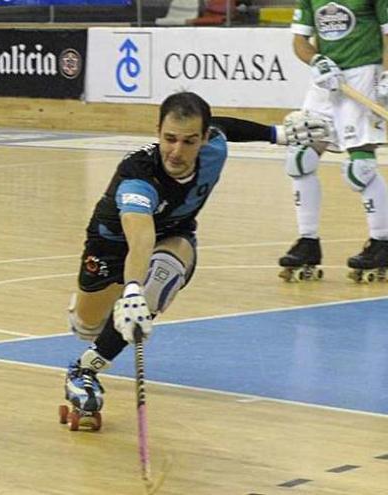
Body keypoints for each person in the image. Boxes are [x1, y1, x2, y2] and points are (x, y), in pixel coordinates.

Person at [61, 92, 331, 429]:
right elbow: (140, 236)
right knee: (88, 325)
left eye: (189, 141)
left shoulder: (214, 147)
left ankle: (85, 369)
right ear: (157, 131)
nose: (177, 151)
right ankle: (97, 316)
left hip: (174, 236)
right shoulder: (138, 175)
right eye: (169, 139)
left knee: (160, 280)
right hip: (113, 245)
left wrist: (276, 134)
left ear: (204, 138)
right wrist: (131, 289)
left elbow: (226, 127)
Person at [278, 0, 388, 282]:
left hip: (365, 75)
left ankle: (382, 243)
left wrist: (386, 77)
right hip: (327, 80)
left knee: (359, 170)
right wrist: (317, 60)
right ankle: (307, 242)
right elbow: (300, 41)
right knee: (300, 158)